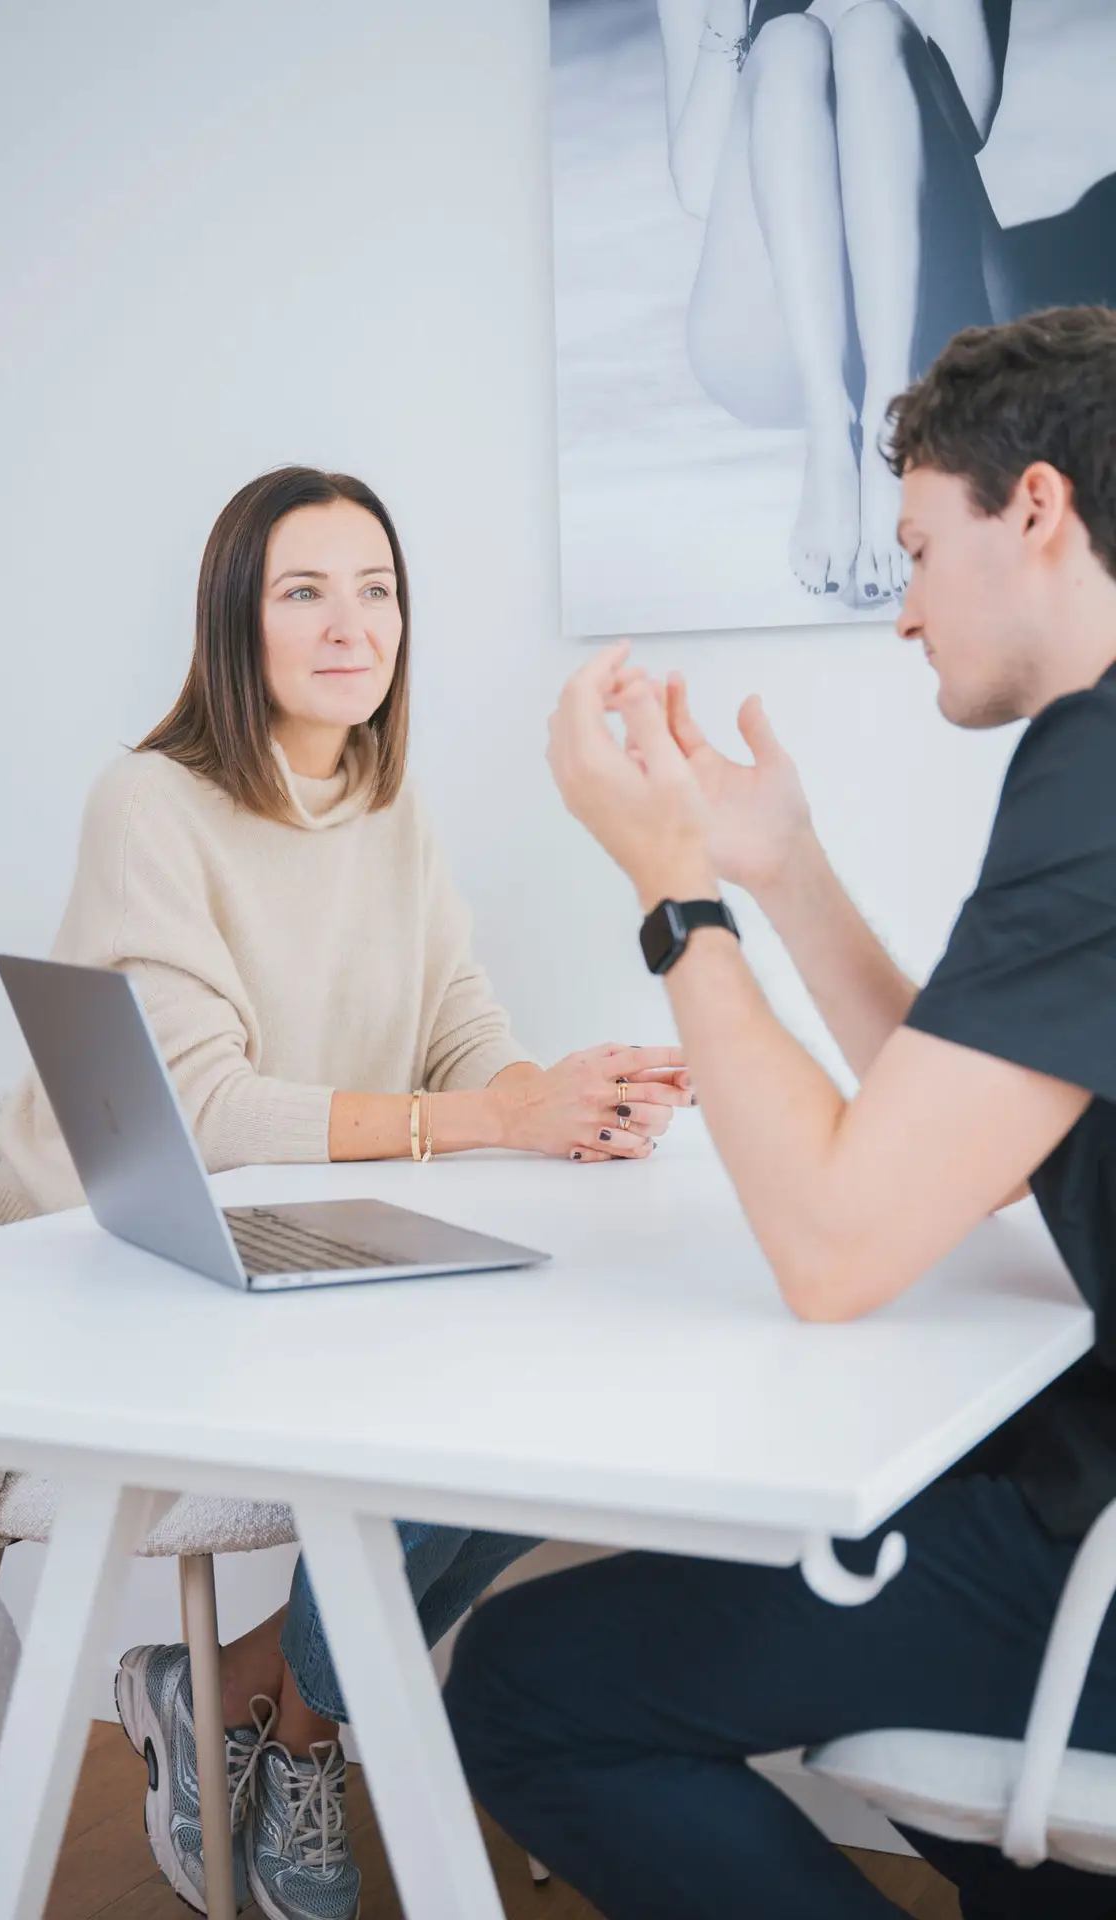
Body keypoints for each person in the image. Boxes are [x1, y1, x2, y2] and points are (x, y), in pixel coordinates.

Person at [446, 305, 1116, 1918]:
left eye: (913, 549)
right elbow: (948, 1137)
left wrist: (674, 892)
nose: (900, 616)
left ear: (1035, 509)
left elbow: (832, 1242)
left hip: (1093, 1561)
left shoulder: (1096, 783)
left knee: (521, 1687)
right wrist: (786, 868)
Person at [0, 465, 689, 1919]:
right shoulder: (152, 803)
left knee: (542, 1381)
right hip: (124, 1270)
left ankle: (265, 1708)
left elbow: (461, 1037)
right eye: (304, 590)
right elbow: (210, 1115)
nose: (350, 623)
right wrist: (489, 1116)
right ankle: (283, 1716)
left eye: (376, 590)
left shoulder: (389, 804)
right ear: (234, 622)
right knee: (452, 1407)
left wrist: (564, 1099)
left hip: (306, 1245)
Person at [657, 0, 1116, 609]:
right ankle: (831, 426)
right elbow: (695, 183)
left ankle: (890, 416)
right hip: (771, 344)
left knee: (875, 27)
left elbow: (971, 117)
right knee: (788, 43)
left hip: (935, 326)